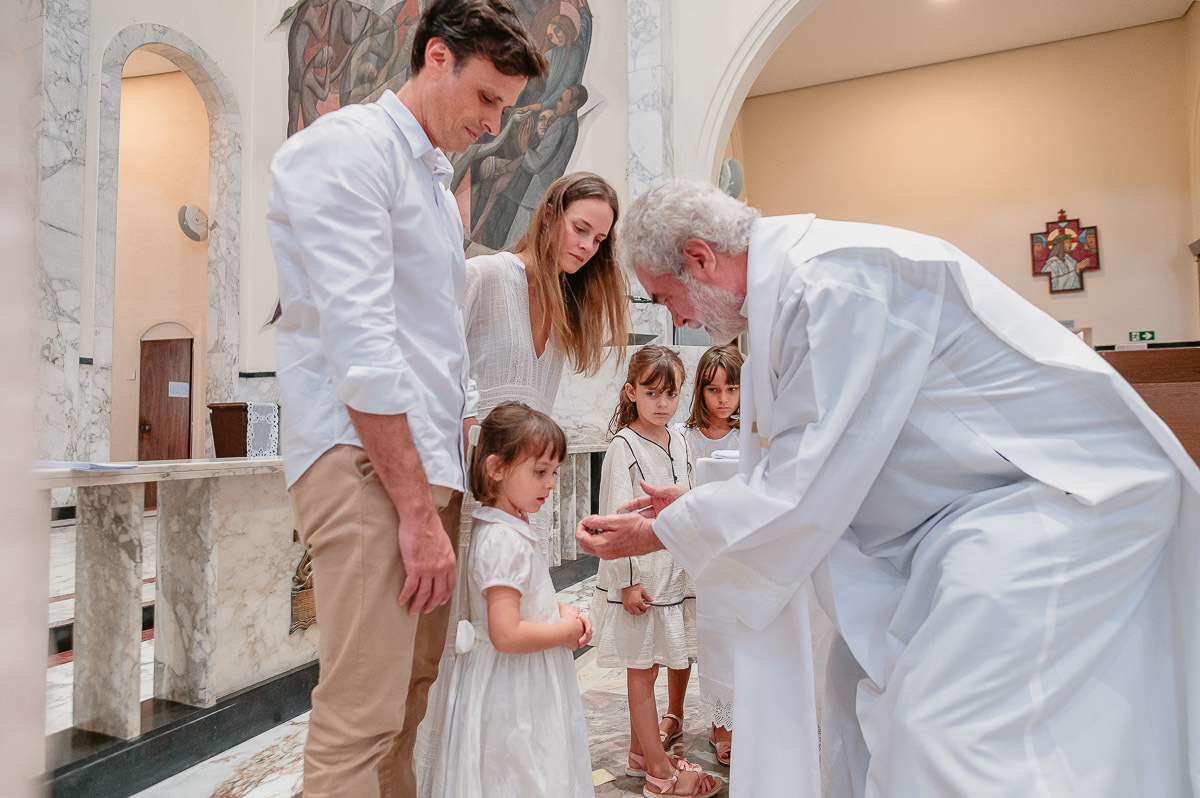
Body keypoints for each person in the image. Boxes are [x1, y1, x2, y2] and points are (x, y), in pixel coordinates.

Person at [577, 179, 1200, 798]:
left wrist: (659, 531)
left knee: (940, 729)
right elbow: (811, 457)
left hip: (1049, 506)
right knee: (853, 698)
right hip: (954, 522)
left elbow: (802, 484)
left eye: (666, 297)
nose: (676, 317)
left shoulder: (831, 285)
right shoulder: (790, 293)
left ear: (699, 259)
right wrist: (693, 509)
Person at [266, 2, 544, 795]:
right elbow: (361, 345)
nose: (493, 123)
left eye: (506, 108)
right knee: (362, 715)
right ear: (436, 57)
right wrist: (417, 513)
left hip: (425, 468)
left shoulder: (430, 179)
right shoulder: (349, 149)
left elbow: (435, 344)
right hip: (367, 463)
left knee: (410, 698)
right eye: (486, 97)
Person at [414, 171, 628, 793]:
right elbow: (429, 370)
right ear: (549, 212)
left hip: (515, 512)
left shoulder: (563, 308)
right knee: (443, 659)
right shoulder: (485, 277)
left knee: (500, 671)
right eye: (580, 228)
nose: (586, 247)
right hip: (458, 500)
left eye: (599, 240)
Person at [425, 402, 594, 797]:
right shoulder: (502, 539)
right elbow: (505, 633)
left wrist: (562, 610)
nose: (551, 484)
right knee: (520, 773)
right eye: (540, 472)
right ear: (496, 468)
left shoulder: (509, 525)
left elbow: (526, 599)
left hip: (525, 678)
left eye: (554, 473)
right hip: (512, 688)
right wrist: (563, 632)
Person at [589, 345, 723, 798]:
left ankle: (640, 754)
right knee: (641, 671)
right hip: (642, 580)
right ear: (632, 392)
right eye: (652, 393)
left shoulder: (679, 440)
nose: (663, 403)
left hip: (673, 575)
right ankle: (660, 774)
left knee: (656, 664)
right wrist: (628, 582)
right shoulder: (623, 446)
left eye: (671, 394)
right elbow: (614, 518)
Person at [673, 343, 743, 767]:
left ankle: (742, 717)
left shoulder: (749, 435)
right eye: (713, 390)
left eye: (731, 389)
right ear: (699, 390)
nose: (723, 399)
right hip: (696, 548)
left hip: (737, 550)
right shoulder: (685, 437)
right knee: (700, 638)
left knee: (736, 638)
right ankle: (717, 723)